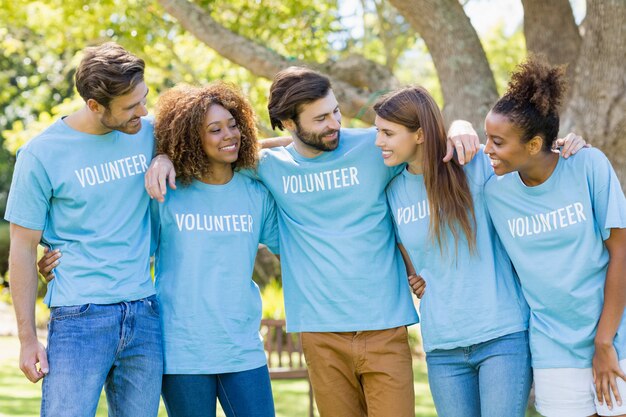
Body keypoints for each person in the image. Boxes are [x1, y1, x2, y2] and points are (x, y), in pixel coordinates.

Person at [145, 66, 481, 417]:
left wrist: (459, 126)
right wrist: (164, 155)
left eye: (335, 111)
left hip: (385, 324)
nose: (334, 123)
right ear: (289, 123)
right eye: (320, 118)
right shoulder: (266, 168)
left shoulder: (375, 147)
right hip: (320, 333)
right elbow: (214, 148)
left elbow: (419, 142)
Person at [5, 43, 162, 416]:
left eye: (144, 99)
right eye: (129, 107)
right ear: (94, 105)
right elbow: (22, 248)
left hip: (144, 312)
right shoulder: (40, 155)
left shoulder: (150, 131)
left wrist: (166, 154)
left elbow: (225, 147)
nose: (142, 111)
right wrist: (28, 340)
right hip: (80, 316)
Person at [483, 57, 626, 417]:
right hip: (553, 347)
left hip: (616, 334)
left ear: (533, 145)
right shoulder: (494, 192)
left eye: (498, 142)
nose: (488, 149)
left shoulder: (587, 166)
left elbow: (621, 251)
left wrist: (604, 341)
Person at [148, 82, 279, 417]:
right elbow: (129, 248)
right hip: (182, 349)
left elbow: (293, 248)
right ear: (193, 137)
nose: (229, 135)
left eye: (233, 125)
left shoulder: (256, 193)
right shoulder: (168, 192)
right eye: (215, 129)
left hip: (241, 347)